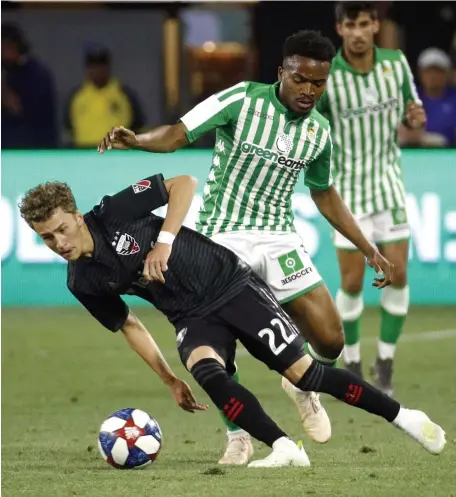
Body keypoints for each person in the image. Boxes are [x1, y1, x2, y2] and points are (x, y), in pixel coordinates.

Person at [98, 29, 397, 465]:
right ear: (282, 73)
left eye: (318, 83)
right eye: (300, 80)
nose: (309, 90)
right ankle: (237, 434)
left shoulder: (319, 132)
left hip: (278, 237)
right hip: (221, 236)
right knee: (218, 348)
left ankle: (300, 383)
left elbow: (325, 194)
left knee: (331, 338)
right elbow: (179, 134)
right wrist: (139, 140)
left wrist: (368, 248)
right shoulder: (241, 100)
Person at [18, 173, 446, 468]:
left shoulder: (114, 211)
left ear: (75, 214)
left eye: (60, 229)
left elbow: (182, 183)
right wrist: (169, 379)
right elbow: (129, 324)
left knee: (308, 373)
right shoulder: (82, 281)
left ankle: (405, 417)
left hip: (228, 282)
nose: (58, 243)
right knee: (207, 370)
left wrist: (163, 242)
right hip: (189, 315)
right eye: (47, 237)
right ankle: (282, 446)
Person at [316, 2, 426, 395]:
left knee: (398, 274)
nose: (359, 32)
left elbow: (414, 109)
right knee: (352, 281)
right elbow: (313, 119)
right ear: (340, 29)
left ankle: (386, 359)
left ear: (376, 25)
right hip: (347, 193)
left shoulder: (396, 63)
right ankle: (353, 361)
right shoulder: (328, 76)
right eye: (351, 25)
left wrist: (415, 118)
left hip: (388, 187)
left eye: (365, 24)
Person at [64, 43, 145, 148]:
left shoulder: (124, 94)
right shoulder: (76, 96)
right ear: (87, 69)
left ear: (108, 67)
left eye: (101, 65)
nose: (97, 71)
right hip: (84, 153)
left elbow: (138, 126)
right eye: (93, 66)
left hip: (117, 153)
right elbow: (68, 128)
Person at [1, 22, 58, 149]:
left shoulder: (36, 73)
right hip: (6, 148)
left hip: (31, 149)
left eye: (5, 48)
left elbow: (17, 107)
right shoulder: (6, 71)